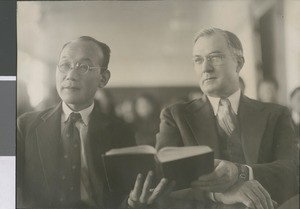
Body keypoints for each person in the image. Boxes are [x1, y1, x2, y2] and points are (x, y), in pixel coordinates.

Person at [17, 36, 168, 208]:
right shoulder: (26, 126)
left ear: (103, 78)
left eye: (84, 67)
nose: (71, 75)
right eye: (65, 65)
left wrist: (132, 202)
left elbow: (124, 197)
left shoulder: (120, 131)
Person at [156, 28, 298, 209]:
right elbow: (163, 181)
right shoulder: (176, 116)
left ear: (238, 63)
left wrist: (241, 172)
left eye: (215, 57)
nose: (205, 68)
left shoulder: (275, 114)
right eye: (198, 60)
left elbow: (292, 170)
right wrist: (218, 195)